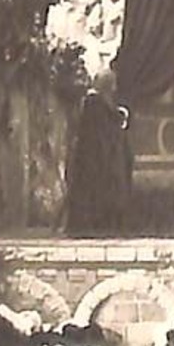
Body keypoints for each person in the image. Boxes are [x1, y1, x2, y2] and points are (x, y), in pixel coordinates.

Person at [66, 69, 132, 235]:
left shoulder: (97, 105)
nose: (115, 89)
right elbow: (103, 131)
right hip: (95, 159)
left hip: (96, 157)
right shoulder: (94, 104)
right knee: (94, 192)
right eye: (112, 85)